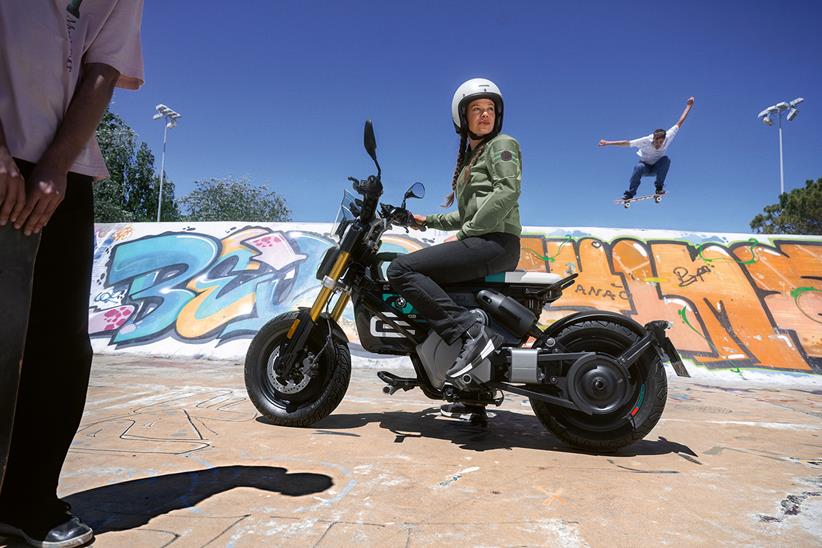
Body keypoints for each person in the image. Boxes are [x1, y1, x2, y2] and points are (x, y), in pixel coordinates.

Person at [0, 1, 144, 546]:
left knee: (59, 346)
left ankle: (25, 500)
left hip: (64, 168)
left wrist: (58, 166)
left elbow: (102, 70)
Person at [387, 78, 522, 412]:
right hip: (482, 238)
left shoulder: (502, 145)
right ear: (463, 118)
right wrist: (423, 221)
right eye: (477, 109)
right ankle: (471, 389)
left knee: (400, 269)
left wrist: (465, 234)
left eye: (490, 109)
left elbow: (506, 192)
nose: (485, 115)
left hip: (495, 242)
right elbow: (464, 216)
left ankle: (469, 332)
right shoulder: (470, 163)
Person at [599, 97, 694, 201]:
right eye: (656, 142)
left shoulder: (668, 136)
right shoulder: (645, 141)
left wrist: (689, 106)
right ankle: (630, 194)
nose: (658, 144)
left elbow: (680, 122)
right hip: (645, 168)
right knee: (638, 167)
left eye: (660, 142)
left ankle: (659, 188)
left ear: (664, 139)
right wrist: (607, 143)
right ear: (653, 138)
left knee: (666, 160)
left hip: (657, 168)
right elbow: (627, 143)